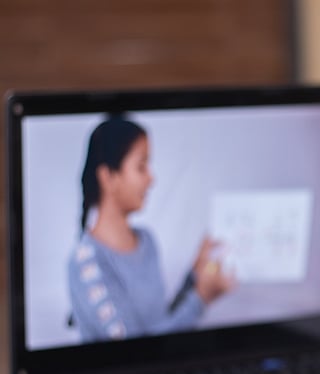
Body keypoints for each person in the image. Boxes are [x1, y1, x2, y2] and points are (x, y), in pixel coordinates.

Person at [67, 116, 233, 342]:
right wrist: (201, 299)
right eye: (141, 167)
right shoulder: (85, 263)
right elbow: (135, 351)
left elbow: (160, 324)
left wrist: (195, 275)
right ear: (108, 177)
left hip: (162, 372)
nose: (151, 179)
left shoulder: (147, 240)